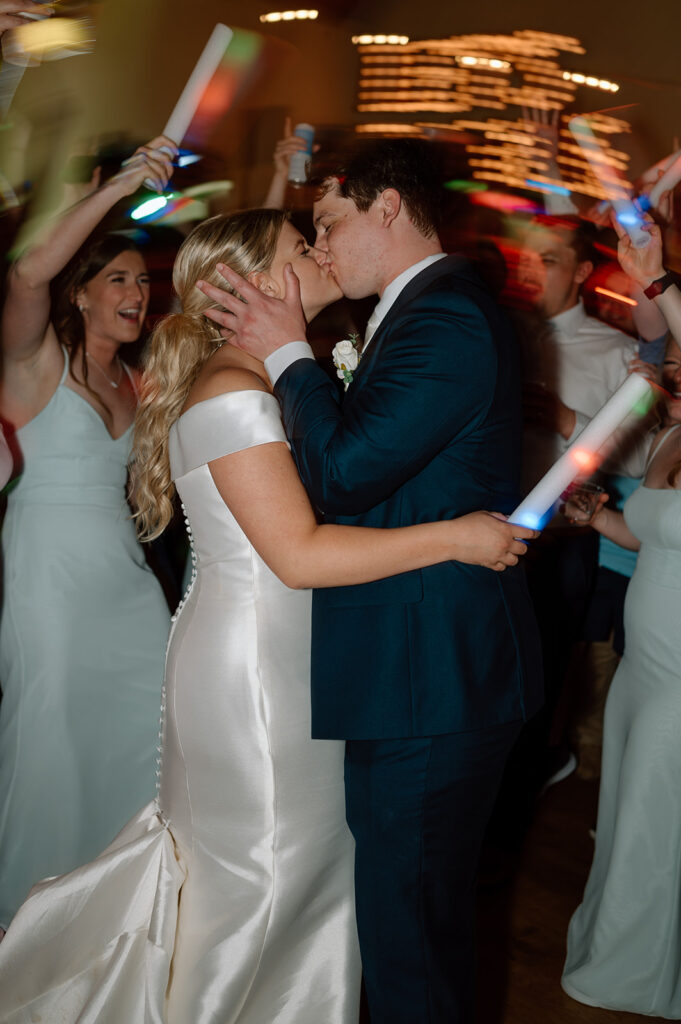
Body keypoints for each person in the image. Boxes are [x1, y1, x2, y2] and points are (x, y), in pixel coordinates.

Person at [0, 208, 536, 1022]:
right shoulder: (232, 393)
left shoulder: (267, 381)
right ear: (250, 283)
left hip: (288, 650)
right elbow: (299, 555)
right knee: (268, 874)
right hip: (257, 666)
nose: (320, 253)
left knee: (298, 872)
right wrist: (456, 538)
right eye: (301, 247)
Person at [198, 139, 544, 1023]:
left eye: (327, 222)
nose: (320, 244)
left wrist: (289, 355)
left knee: (410, 937)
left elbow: (344, 474)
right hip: (411, 662)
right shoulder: (415, 313)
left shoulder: (445, 316)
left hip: (429, 671)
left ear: (385, 206)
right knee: (406, 925)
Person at [0, 137, 175, 933]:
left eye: (142, 281)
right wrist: (122, 189)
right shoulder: (36, 359)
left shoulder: (138, 381)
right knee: (52, 744)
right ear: (81, 293)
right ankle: (29, 921)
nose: (137, 293)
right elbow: (26, 275)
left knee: (145, 732)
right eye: (118, 280)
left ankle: (112, 912)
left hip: (126, 587)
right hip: (49, 580)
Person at [561, 213, 681, 1017]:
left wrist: (658, 278)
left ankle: (639, 974)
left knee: (652, 825)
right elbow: (651, 536)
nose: (667, 374)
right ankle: (612, 950)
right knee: (623, 811)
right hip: (645, 661)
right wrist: (596, 517)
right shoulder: (671, 438)